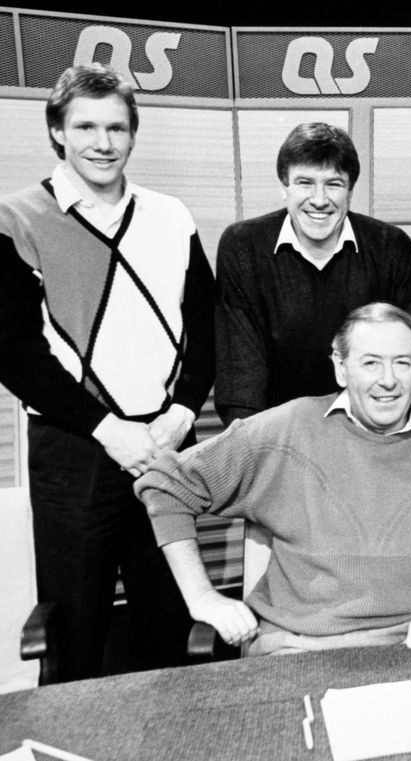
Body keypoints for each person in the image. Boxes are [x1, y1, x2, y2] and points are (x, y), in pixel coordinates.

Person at [0, 63, 215, 680]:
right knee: (77, 629)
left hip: (167, 442)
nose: (103, 141)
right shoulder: (17, 218)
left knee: (170, 624)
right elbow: (15, 352)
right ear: (57, 132)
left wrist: (180, 414)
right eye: (86, 126)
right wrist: (106, 429)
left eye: (117, 127)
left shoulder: (172, 215)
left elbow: (203, 323)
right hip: (75, 450)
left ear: (132, 135)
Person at [136, 303, 411, 654]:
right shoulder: (289, 429)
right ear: (340, 368)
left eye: (402, 363)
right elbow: (166, 484)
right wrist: (202, 596)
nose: (388, 380)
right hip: (298, 649)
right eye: (370, 363)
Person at [215, 121, 411, 425]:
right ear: (283, 186)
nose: (319, 199)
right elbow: (240, 379)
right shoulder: (243, 246)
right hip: (278, 435)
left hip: (373, 434)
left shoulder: (390, 247)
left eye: (333, 184)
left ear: (350, 190)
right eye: (305, 182)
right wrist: (256, 457)